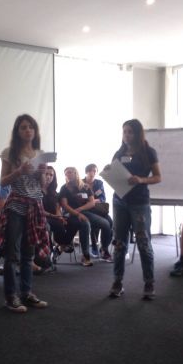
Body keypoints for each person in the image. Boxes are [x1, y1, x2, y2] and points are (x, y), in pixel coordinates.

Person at [0, 114, 50, 313]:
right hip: (16, 205)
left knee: (28, 255)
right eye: (23, 127)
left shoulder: (40, 153)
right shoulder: (9, 152)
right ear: (17, 132)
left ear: (35, 131)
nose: (28, 130)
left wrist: (42, 174)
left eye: (31, 127)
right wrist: (19, 171)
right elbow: (3, 182)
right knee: (12, 255)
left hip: (35, 206)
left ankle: (26, 293)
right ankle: (11, 297)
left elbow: (43, 187)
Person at [107, 119, 161, 300]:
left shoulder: (148, 152)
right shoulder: (119, 152)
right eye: (124, 132)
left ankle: (149, 282)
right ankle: (117, 282)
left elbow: (158, 177)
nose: (127, 135)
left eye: (130, 131)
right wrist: (108, 170)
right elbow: (114, 173)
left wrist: (141, 179)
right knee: (119, 243)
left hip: (139, 203)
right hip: (119, 201)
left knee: (143, 243)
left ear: (138, 133)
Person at [58, 167, 96, 267]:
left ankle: (64, 244)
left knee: (105, 223)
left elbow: (92, 203)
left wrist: (80, 210)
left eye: (70, 172)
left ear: (76, 173)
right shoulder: (64, 188)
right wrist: (77, 214)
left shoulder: (85, 187)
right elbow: (64, 205)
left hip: (85, 212)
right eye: (66, 173)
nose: (68, 175)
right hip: (69, 214)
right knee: (85, 224)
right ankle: (86, 256)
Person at [82, 163, 113, 261]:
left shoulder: (99, 183)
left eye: (95, 171)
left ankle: (104, 247)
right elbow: (79, 199)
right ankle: (94, 247)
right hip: (86, 210)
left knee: (110, 222)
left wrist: (92, 201)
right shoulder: (81, 183)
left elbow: (102, 198)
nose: (93, 173)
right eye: (90, 171)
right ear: (86, 172)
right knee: (95, 225)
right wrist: (91, 202)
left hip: (98, 209)